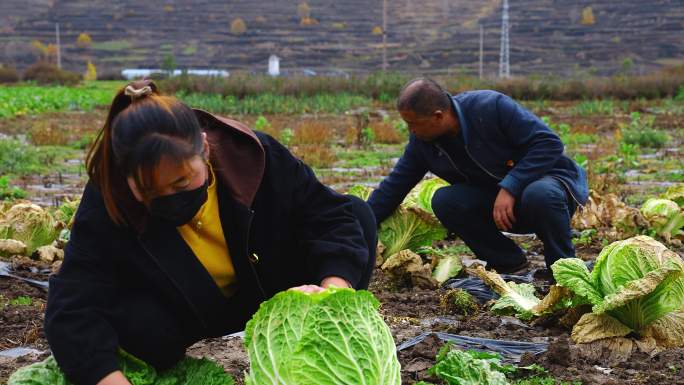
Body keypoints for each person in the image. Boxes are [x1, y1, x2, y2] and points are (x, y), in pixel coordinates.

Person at [44, 80, 377, 385]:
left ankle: (318, 350)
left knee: (358, 217)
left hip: (272, 287)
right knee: (137, 328)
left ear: (204, 149)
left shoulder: (254, 156)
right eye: (150, 192)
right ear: (125, 175)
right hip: (187, 308)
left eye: (181, 181)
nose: (171, 197)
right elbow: (72, 304)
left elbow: (330, 215)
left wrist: (333, 290)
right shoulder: (109, 198)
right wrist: (107, 379)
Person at [367, 78, 588, 273]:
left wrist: (511, 186)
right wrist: (359, 224)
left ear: (437, 116)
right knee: (445, 200)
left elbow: (549, 143)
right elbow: (393, 188)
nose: (410, 130)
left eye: (413, 124)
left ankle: (562, 269)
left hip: (548, 197)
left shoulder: (490, 107)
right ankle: (509, 263)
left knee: (540, 192)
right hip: (501, 209)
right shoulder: (423, 143)